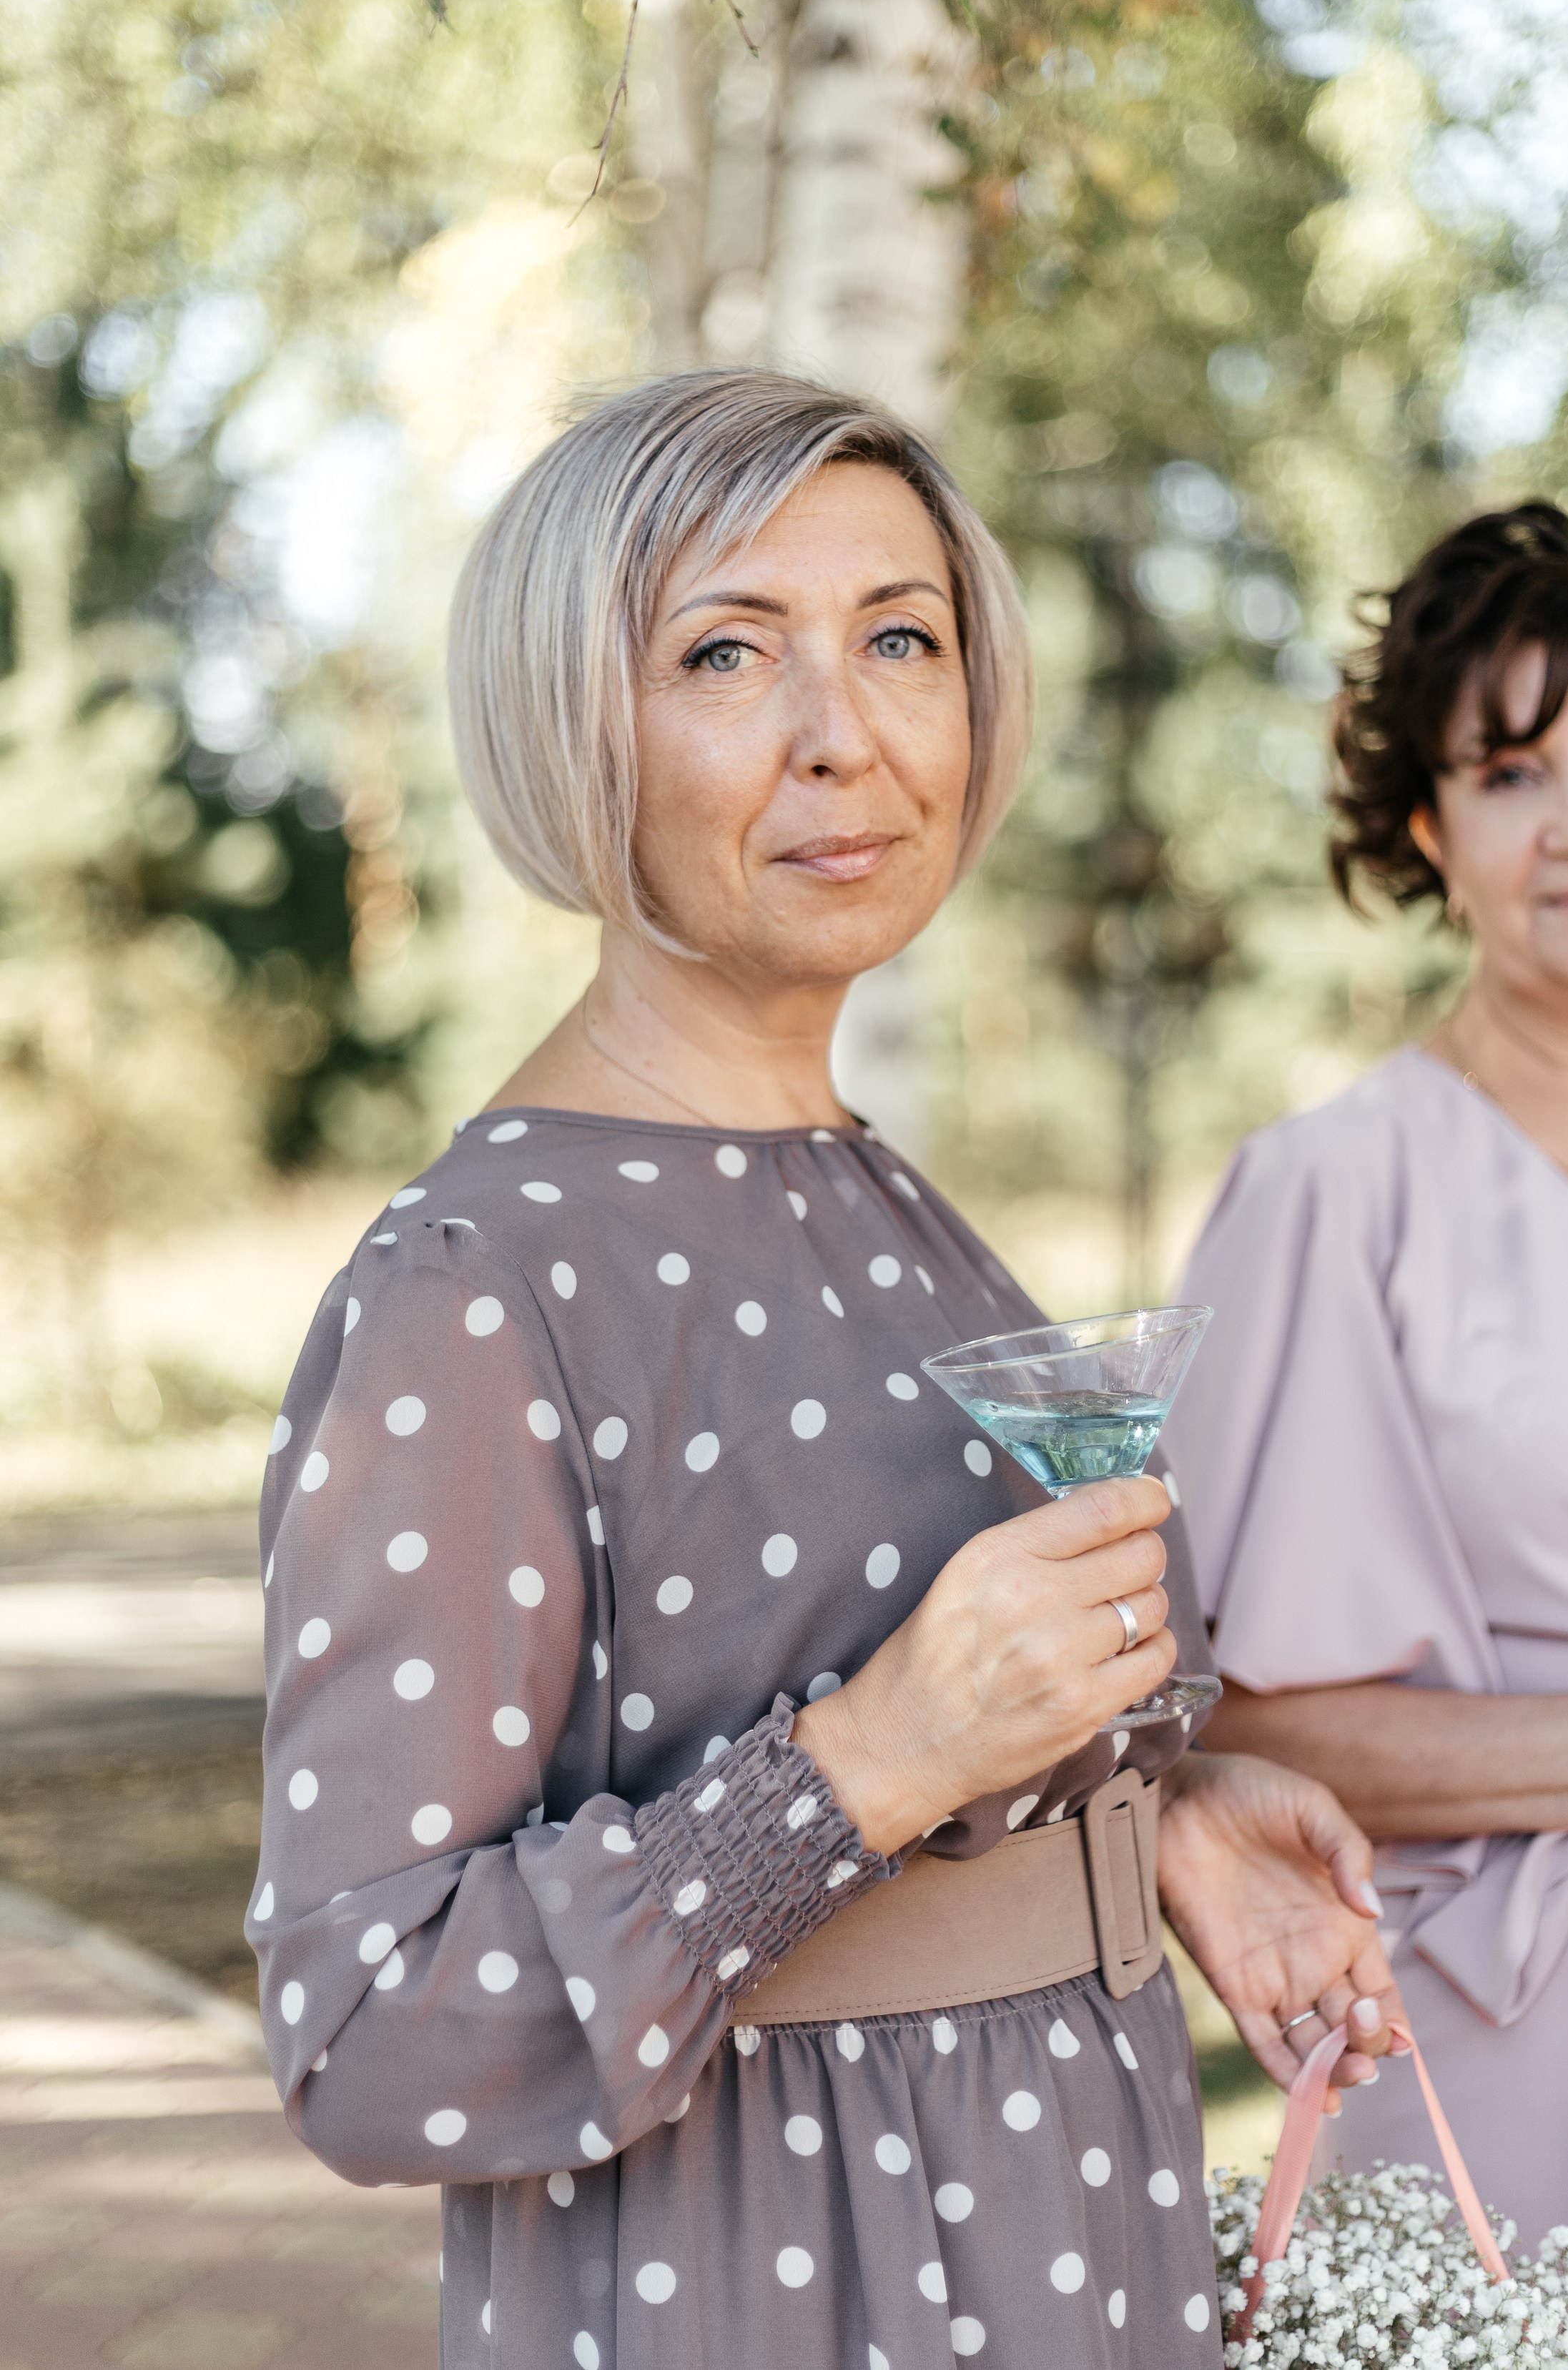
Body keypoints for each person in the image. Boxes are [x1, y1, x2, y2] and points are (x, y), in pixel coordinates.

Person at [250, 370, 1395, 2370]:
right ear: (570, 720)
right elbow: (367, 2035)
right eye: (723, 651)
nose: (840, 736)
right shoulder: (478, 1282)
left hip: (1054, 2258)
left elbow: (941, 1765)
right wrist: (873, 1759)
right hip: (774, 2285)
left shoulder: (875, 1200)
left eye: (898, 639)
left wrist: (1153, 1823)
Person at [1163, 502, 1568, 2273]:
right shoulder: (1335, 1191)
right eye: (1518, 770)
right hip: (1518, 2038)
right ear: (1431, 830)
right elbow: (1223, 1720)